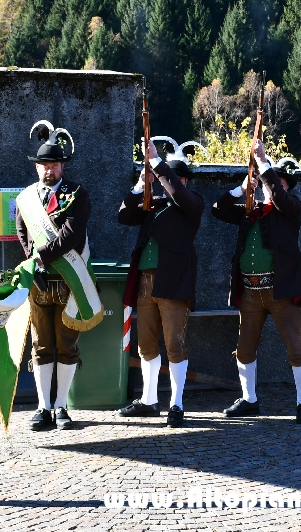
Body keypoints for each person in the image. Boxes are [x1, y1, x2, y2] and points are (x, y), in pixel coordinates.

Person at [211, 140, 301, 424]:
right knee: (244, 348)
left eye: (276, 183)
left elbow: (278, 197)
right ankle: (249, 399)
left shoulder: (291, 206)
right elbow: (218, 208)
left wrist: (264, 163)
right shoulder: (250, 209)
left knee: (295, 347)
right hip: (251, 291)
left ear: (285, 186)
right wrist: (243, 188)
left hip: (281, 291)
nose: (269, 187)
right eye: (269, 182)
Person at [117, 138, 205, 428]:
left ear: (183, 180)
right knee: (146, 344)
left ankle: (177, 403)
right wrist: (142, 184)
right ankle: (149, 400)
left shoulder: (191, 203)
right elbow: (124, 215)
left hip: (174, 281)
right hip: (145, 279)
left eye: (175, 176)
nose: (168, 180)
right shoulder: (151, 202)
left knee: (174, 344)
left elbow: (178, 194)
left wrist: (156, 162)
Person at [16, 120, 98, 431]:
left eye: (54, 164)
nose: (49, 170)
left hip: (68, 281)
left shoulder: (78, 194)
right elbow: (22, 231)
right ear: (37, 167)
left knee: (67, 344)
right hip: (38, 282)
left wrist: (42, 256)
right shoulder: (26, 198)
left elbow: (72, 236)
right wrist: (31, 259)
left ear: (62, 166)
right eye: (44, 165)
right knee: (41, 345)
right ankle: (43, 407)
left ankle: (62, 406)